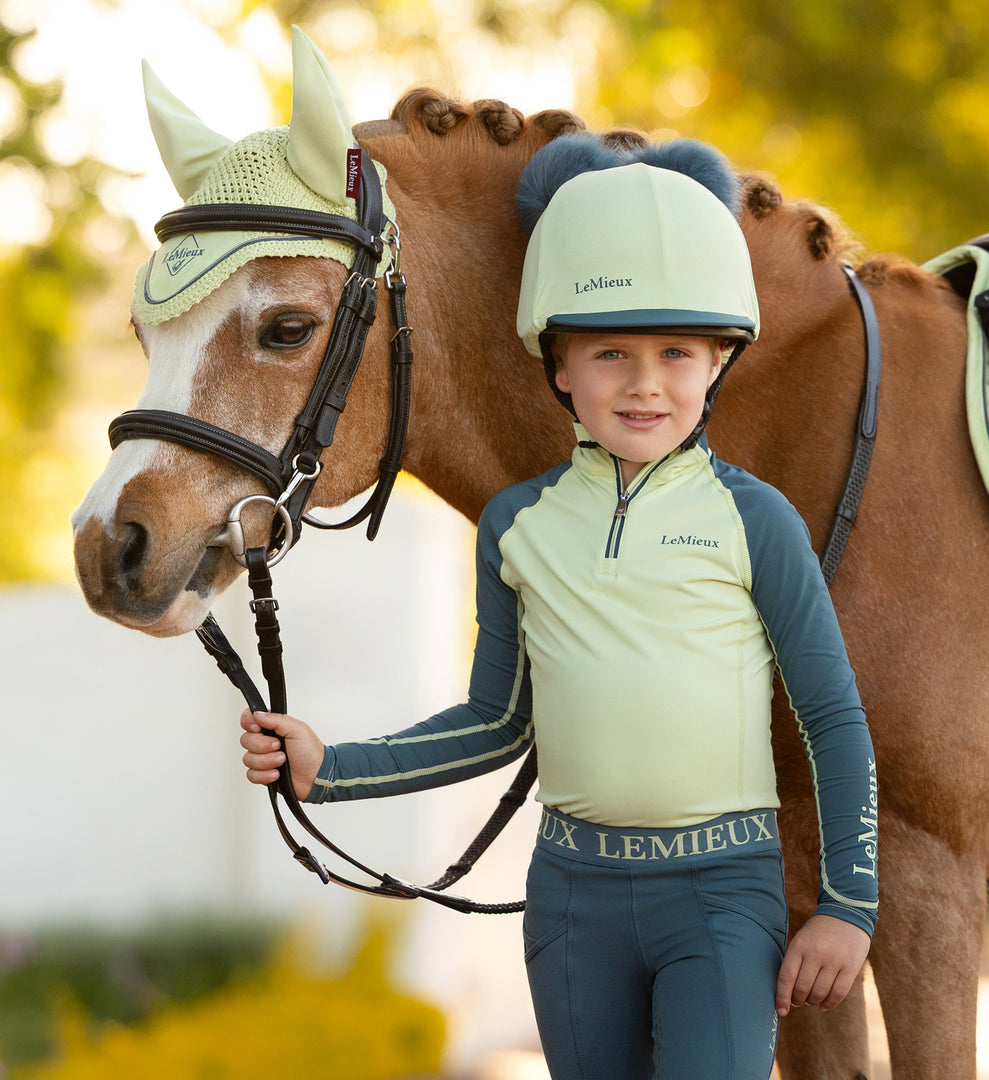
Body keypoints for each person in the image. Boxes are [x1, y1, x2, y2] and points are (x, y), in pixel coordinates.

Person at [240, 134, 878, 1079]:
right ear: (560, 367)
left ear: (717, 364)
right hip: (574, 900)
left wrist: (847, 905)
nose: (645, 382)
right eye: (610, 351)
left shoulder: (757, 520)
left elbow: (831, 717)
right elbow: (496, 722)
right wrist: (330, 767)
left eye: (676, 352)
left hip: (722, 893)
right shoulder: (515, 525)